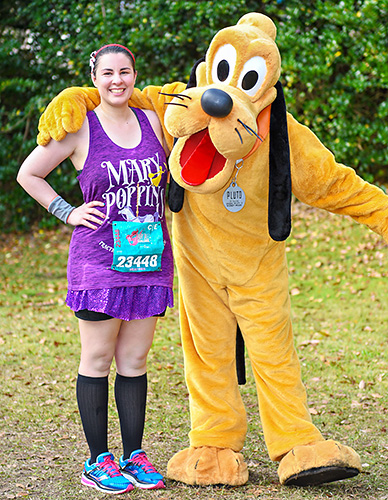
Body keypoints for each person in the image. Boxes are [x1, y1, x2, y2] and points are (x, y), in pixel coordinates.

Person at [17, 44, 174, 494]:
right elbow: (29, 174)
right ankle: (97, 460)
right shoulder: (80, 127)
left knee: (134, 360)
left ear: (135, 75)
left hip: (149, 261)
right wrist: (67, 212)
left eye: (124, 72)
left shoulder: (154, 123)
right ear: (95, 78)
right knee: (99, 358)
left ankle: (134, 456)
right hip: (99, 263)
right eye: (108, 73)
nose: (117, 81)